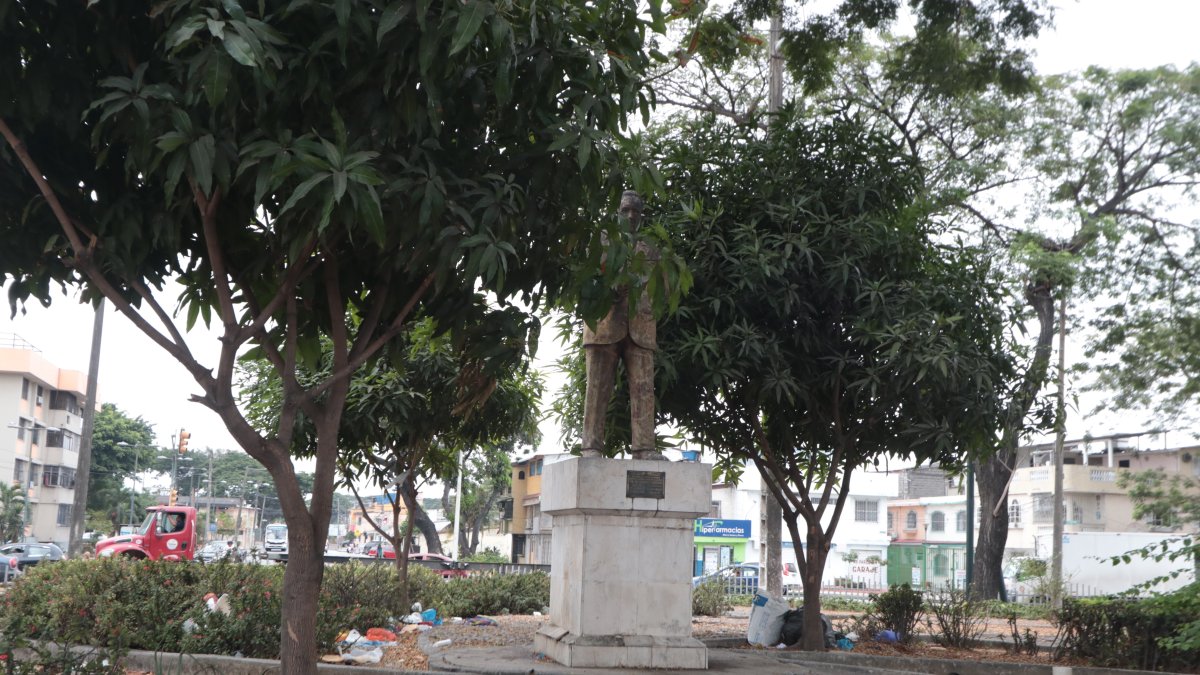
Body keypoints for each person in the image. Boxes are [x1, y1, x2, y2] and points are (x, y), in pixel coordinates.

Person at [581, 190, 664, 460]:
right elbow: (583, 280)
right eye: (626, 210)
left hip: (641, 326)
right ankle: (591, 446)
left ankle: (644, 448)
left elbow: (662, 288)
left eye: (636, 212)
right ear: (617, 211)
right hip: (604, 324)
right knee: (597, 388)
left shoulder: (652, 250)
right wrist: (605, 287)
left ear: (642, 216)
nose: (631, 216)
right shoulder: (599, 242)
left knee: (644, 389)